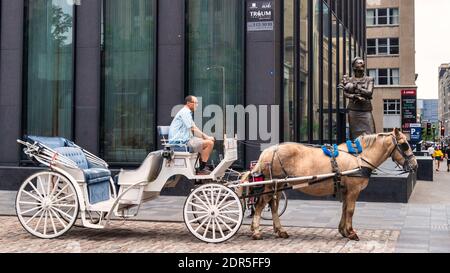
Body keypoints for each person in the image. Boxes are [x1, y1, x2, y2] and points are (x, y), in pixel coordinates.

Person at [168, 96, 215, 174]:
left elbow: (194, 127)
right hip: (181, 142)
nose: (197, 105)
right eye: (195, 103)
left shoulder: (186, 112)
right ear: (189, 103)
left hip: (186, 139)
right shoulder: (185, 112)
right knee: (209, 143)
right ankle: (201, 169)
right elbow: (192, 128)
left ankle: (199, 166)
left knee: (206, 142)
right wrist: (207, 137)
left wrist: (205, 137)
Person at [338, 57, 376, 139]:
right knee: (355, 136)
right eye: (359, 63)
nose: (362, 63)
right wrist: (354, 96)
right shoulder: (349, 80)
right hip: (354, 111)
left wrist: (356, 87)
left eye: (362, 62)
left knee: (371, 134)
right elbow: (345, 93)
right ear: (354, 66)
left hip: (366, 110)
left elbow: (369, 93)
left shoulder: (369, 79)